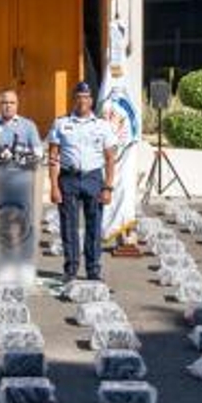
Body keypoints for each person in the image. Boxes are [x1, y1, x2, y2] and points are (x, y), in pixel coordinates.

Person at [47, 80, 117, 282]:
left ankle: (93, 269)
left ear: (91, 100)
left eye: (85, 97)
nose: (82, 101)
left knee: (94, 227)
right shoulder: (61, 123)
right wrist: (53, 186)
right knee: (68, 226)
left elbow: (110, 158)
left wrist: (108, 187)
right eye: (78, 97)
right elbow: (53, 156)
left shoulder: (102, 126)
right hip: (68, 178)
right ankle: (70, 269)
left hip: (93, 178)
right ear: (74, 99)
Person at [0, 89, 43, 161]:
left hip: (22, 170)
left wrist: (22, 156)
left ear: (17, 104)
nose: (8, 105)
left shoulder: (29, 126)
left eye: (12, 103)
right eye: (5, 103)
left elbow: (38, 153)